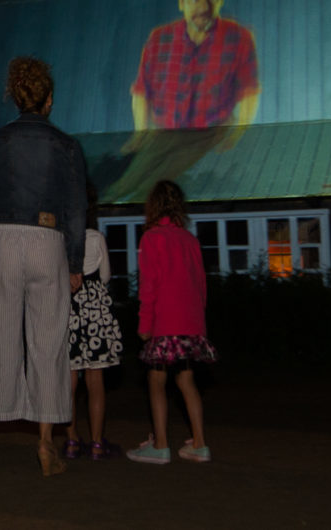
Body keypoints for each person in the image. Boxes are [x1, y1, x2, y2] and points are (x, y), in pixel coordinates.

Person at [0, 56, 88, 477]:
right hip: (48, 239)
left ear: (16, 99)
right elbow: (76, 209)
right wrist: (75, 263)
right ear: (48, 101)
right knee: (48, 344)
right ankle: (44, 446)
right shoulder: (68, 145)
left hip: (1, 238)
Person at [105, 0, 260, 202]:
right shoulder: (160, 37)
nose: (203, 7)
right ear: (182, 1)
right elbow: (141, 91)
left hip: (208, 133)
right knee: (124, 183)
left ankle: (135, 221)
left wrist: (238, 132)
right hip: (163, 131)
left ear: (221, 0)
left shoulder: (239, 37)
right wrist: (140, 133)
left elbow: (249, 91)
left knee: (150, 188)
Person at [126, 181, 217, 465]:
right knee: (186, 379)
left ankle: (161, 445)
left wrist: (144, 322)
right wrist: (198, 320)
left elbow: (149, 285)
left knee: (156, 380)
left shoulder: (152, 238)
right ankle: (199, 444)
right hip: (191, 321)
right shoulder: (190, 240)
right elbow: (201, 285)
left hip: (164, 320)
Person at [63, 189, 124, 460]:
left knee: (70, 380)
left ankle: (72, 440)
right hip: (96, 308)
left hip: (69, 307)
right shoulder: (97, 237)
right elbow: (107, 275)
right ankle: (97, 443)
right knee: (95, 379)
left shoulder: (61, 240)